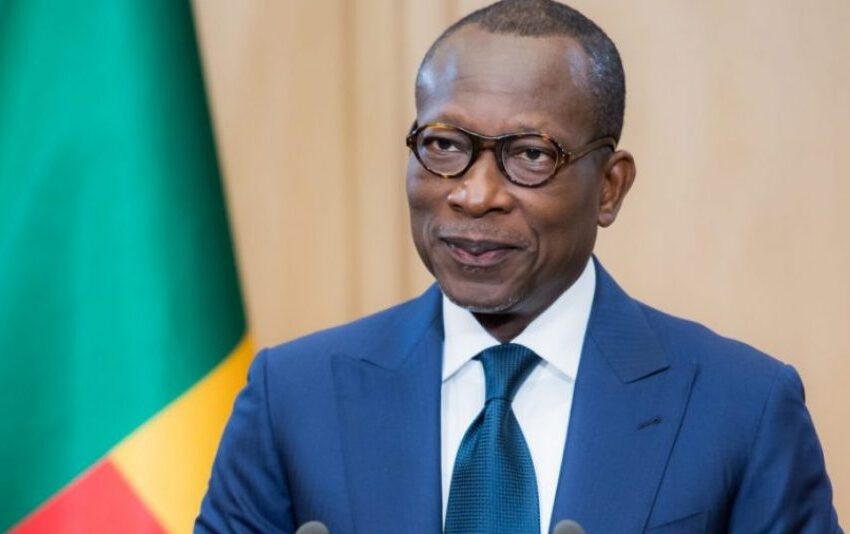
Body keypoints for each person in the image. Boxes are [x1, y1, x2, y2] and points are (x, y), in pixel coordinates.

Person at [196, 1, 841, 532]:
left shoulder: (741, 406)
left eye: (531, 155)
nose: (475, 194)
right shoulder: (293, 397)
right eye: (443, 145)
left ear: (610, 188)